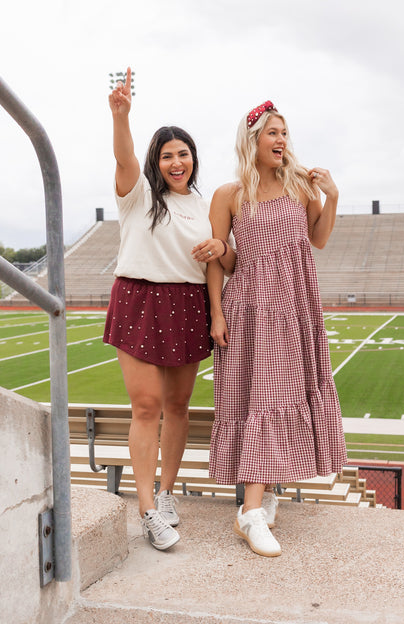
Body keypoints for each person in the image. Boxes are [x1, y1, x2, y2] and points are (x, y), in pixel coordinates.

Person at [207, 100, 348, 557]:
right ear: (253, 141)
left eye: (284, 132)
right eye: (271, 133)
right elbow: (222, 261)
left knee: (285, 396)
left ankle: (266, 493)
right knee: (262, 398)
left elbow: (319, 240)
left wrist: (332, 197)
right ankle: (250, 513)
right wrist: (216, 313)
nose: (281, 140)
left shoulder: (300, 188)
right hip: (250, 308)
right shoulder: (229, 194)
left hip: (295, 305)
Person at [103, 67, 228, 551]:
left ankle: (169, 492)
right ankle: (148, 511)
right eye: (168, 155)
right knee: (147, 406)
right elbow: (124, 157)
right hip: (139, 298)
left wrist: (219, 248)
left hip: (188, 303)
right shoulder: (138, 194)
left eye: (183, 154)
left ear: (194, 158)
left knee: (178, 407)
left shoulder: (204, 203)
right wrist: (121, 117)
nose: (177, 162)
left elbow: (225, 259)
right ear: (157, 160)